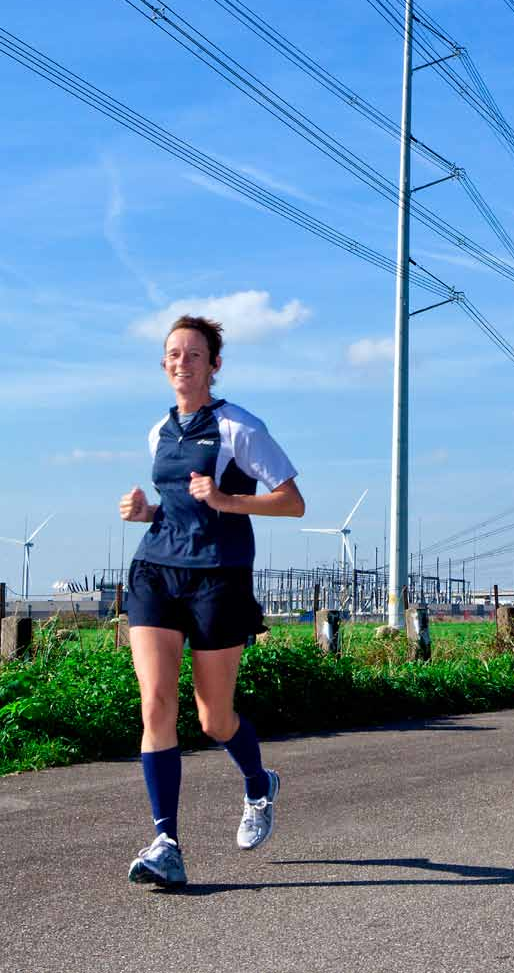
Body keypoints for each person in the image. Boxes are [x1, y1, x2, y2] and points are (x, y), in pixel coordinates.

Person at [119, 314, 305, 888]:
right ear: (164, 365)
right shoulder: (159, 432)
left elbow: (292, 503)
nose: (182, 363)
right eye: (173, 355)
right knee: (156, 706)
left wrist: (226, 500)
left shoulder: (239, 428)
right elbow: (177, 505)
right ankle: (166, 843)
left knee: (214, 717)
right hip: (156, 571)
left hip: (218, 578)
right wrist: (146, 512)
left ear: (214, 365)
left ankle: (258, 783)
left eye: (194, 355)